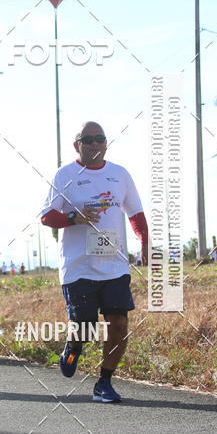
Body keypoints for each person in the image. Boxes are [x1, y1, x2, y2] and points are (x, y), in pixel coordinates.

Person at [41, 121, 149, 404]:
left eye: (99, 139)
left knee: (119, 324)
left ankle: (104, 382)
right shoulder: (65, 175)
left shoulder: (119, 174)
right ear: (77, 145)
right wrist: (73, 218)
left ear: (106, 143)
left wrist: (145, 243)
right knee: (86, 327)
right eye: (87, 140)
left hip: (114, 265)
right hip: (79, 268)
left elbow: (135, 213)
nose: (94, 144)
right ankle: (73, 346)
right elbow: (46, 217)